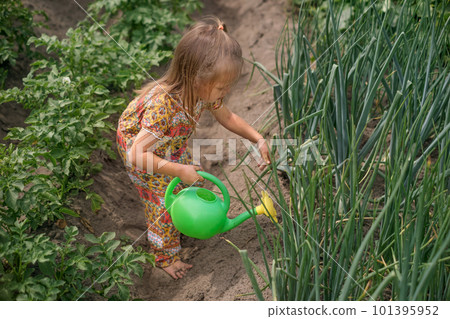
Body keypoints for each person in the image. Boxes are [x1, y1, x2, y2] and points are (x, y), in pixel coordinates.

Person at [116, 16, 270, 280]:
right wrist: (176, 169)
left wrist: (258, 138)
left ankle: (184, 213)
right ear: (195, 77)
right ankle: (165, 256)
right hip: (140, 150)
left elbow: (228, 117)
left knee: (184, 177)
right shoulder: (161, 109)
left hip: (168, 145)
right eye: (222, 87)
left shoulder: (202, 92)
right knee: (162, 200)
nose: (226, 92)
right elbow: (136, 154)